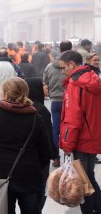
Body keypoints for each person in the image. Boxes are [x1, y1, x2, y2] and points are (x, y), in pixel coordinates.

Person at [0, 77, 52, 214]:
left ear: (5, 94)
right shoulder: (35, 117)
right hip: (29, 174)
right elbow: (45, 151)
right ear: (25, 92)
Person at [59, 50, 101, 214]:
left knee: (85, 181)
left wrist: (67, 144)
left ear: (72, 64)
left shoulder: (75, 85)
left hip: (81, 139)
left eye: (64, 67)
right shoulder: (93, 78)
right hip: (92, 136)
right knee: (88, 177)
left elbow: (73, 118)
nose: (63, 71)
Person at [25, 77, 57, 210]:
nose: (46, 88)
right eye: (43, 86)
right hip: (39, 158)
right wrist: (54, 155)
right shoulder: (41, 110)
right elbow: (48, 136)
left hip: (24, 157)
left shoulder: (25, 106)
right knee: (39, 192)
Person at [42, 40, 72, 167]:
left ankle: (55, 158)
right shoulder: (73, 64)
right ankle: (69, 158)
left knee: (55, 130)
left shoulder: (50, 66)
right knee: (70, 129)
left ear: (59, 49)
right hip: (70, 101)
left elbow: (45, 82)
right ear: (71, 49)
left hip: (55, 101)